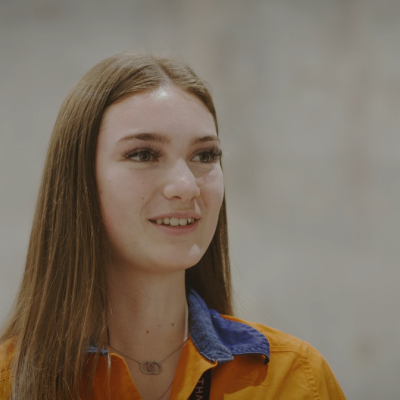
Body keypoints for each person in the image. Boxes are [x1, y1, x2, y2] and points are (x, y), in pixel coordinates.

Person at [0, 52, 346, 400]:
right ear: (79, 180)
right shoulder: (7, 382)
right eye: (144, 155)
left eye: (204, 156)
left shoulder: (297, 380)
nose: (186, 186)